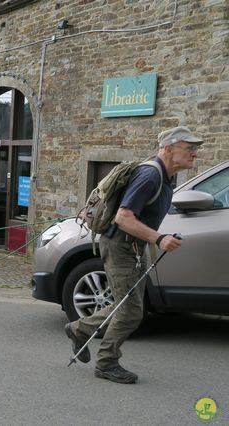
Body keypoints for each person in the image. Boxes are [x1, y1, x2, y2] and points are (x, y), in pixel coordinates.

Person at [65, 126, 203, 384]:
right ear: (168, 148)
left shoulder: (167, 176)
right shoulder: (150, 176)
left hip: (133, 248)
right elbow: (123, 217)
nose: (195, 154)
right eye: (190, 148)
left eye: (196, 149)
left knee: (126, 305)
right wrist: (159, 239)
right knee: (130, 311)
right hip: (120, 246)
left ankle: (79, 329)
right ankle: (106, 363)